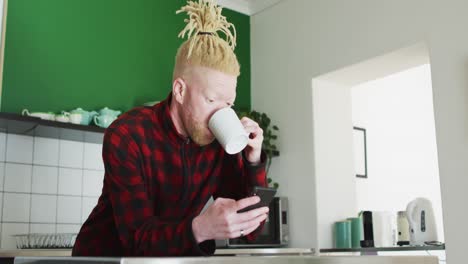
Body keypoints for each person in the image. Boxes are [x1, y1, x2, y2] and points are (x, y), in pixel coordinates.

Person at [72, 0, 268, 257]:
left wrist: (253, 163)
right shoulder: (128, 134)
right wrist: (201, 228)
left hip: (171, 258)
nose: (220, 113)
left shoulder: (218, 145)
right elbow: (137, 238)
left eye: (228, 103)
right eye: (211, 100)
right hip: (106, 258)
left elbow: (252, 231)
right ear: (180, 90)